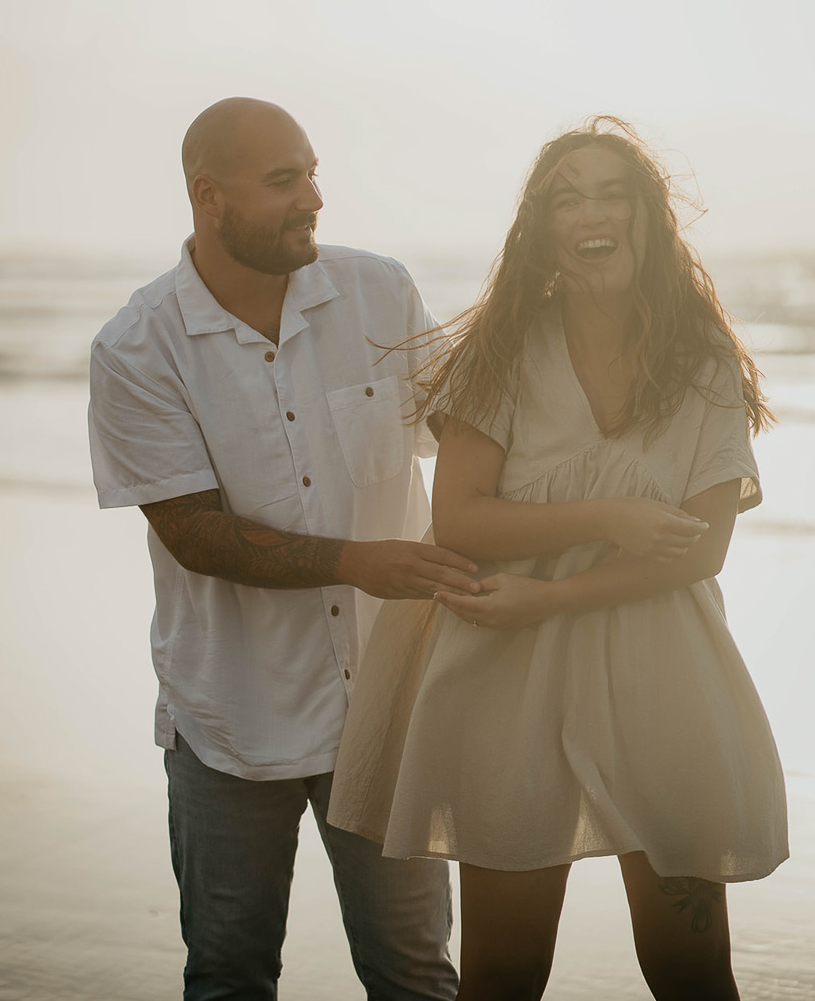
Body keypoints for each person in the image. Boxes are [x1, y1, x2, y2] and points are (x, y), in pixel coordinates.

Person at [328, 116, 789, 1001]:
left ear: (648, 220)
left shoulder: (700, 364)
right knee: (503, 973)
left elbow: (703, 549)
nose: (593, 210)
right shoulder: (500, 354)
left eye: (614, 192)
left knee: (691, 969)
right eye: (566, 197)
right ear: (542, 231)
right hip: (506, 671)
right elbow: (458, 520)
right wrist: (611, 516)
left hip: (659, 668)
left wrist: (554, 595)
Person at [87, 96, 476, 1001]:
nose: (314, 196)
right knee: (228, 976)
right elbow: (195, 533)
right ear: (207, 196)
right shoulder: (138, 347)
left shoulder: (379, 291)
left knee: (417, 975)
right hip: (230, 719)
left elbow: (469, 439)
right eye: (283, 179)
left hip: (387, 706)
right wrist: (359, 561)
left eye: (310, 170)